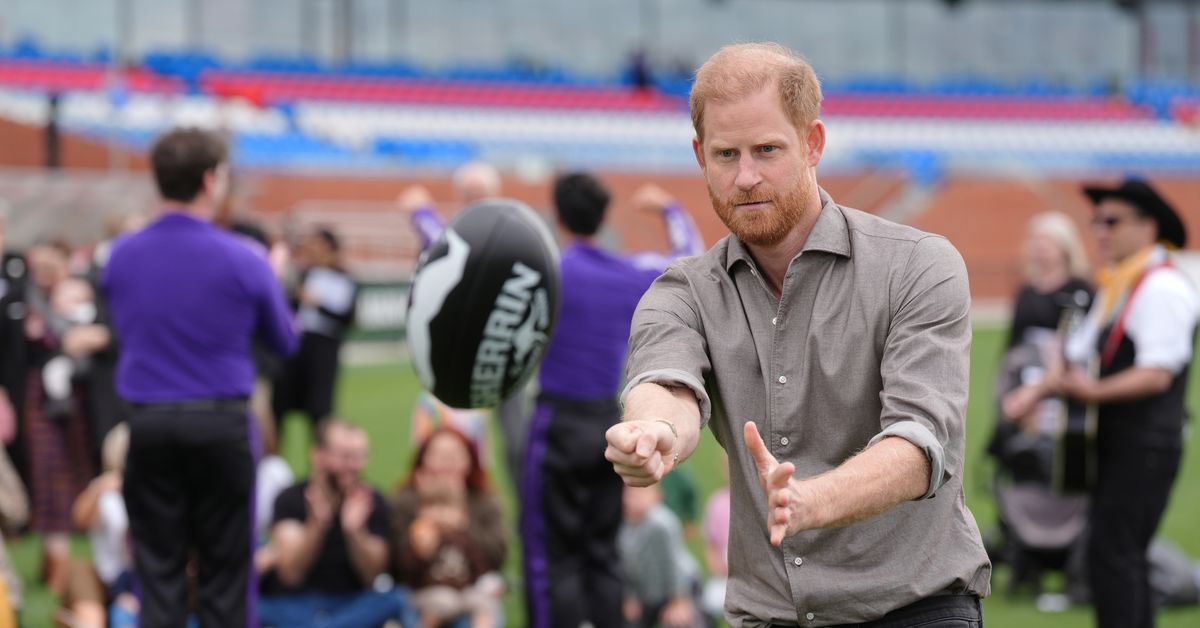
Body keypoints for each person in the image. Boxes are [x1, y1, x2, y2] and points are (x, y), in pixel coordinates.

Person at [604, 42, 991, 626]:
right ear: (699, 156)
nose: (746, 176)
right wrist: (654, 431)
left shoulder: (919, 266)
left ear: (813, 144)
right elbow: (667, 380)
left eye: (767, 150)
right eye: (725, 154)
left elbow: (920, 444)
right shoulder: (680, 291)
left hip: (915, 607)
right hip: (770, 614)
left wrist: (813, 499)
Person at [102, 127, 298, 627]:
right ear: (212, 180)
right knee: (227, 574)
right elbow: (286, 341)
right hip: (220, 423)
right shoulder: (243, 258)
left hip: (149, 423)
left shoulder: (120, 255)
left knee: (158, 572)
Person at [1004, 178, 1200, 628]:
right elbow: (1074, 356)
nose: (1101, 232)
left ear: (1148, 227)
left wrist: (1091, 393)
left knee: (1115, 557)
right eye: (1097, 222)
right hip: (1118, 443)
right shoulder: (1120, 285)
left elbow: (1157, 372)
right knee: (1118, 556)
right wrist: (1031, 395)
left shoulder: (1161, 288)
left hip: (1145, 445)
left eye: (1113, 221)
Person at [521, 171, 701, 628]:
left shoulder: (551, 272)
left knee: (551, 555)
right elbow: (688, 258)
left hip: (556, 420)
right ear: (604, 218)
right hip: (610, 423)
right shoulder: (627, 274)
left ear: (557, 215)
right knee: (603, 552)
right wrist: (670, 209)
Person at [259, 419, 412, 628]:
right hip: (298, 604)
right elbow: (291, 574)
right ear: (318, 455)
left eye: (359, 456)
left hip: (353, 602)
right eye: (345, 456)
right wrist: (317, 526)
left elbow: (373, 575)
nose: (354, 465)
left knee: (397, 599)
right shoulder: (290, 499)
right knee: (262, 608)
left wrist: (356, 533)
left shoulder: (373, 501)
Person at [20, 240, 101, 595]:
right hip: (42, 400)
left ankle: (82, 564)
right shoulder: (25, 303)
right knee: (49, 479)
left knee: (77, 476)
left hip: (81, 401)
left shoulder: (87, 296)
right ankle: (56, 570)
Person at [391, 425, 507, 628]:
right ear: (423, 460)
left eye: (455, 455)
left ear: (470, 461)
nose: (447, 462)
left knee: (483, 610)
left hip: (468, 590)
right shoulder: (405, 500)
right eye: (439, 455)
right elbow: (396, 564)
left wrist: (463, 524)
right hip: (423, 593)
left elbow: (497, 557)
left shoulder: (484, 500)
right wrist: (423, 532)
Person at [272, 226, 357, 435]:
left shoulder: (345, 279)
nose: (311, 249)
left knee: (319, 411)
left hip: (324, 351)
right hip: (297, 347)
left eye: (316, 244)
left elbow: (347, 319)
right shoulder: (304, 274)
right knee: (279, 407)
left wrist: (317, 304)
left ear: (330, 248)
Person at [619, 483, 701, 628]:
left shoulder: (661, 525)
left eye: (639, 494)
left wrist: (677, 601)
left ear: (657, 496)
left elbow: (673, 564)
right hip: (647, 592)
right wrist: (630, 596)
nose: (631, 499)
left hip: (681, 587)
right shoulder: (622, 527)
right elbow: (624, 567)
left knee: (678, 621)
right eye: (628, 494)